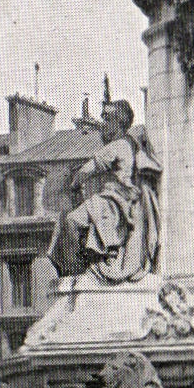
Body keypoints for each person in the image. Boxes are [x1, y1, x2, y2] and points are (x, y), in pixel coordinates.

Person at [48, 103, 161, 284]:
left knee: (71, 220)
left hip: (115, 201)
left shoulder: (116, 145)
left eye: (107, 119)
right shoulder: (131, 143)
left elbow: (86, 171)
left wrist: (73, 185)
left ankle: (75, 272)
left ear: (119, 122)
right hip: (127, 202)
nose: (103, 124)